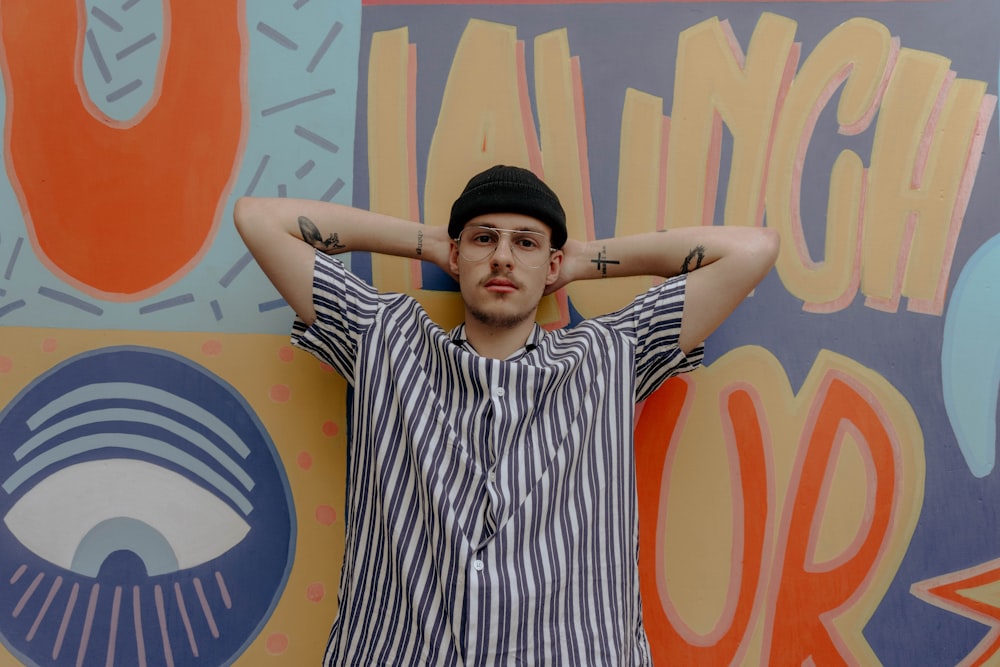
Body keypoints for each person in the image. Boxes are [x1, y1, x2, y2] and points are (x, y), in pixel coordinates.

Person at [234, 164, 779, 666]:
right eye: (483, 239)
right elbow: (260, 219)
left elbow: (752, 249)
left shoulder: (611, 356)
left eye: (525, 243)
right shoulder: (385, 340)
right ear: (457, 254)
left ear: (554, 264)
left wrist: (580, 260)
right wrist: (436, 246)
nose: (501, 257)